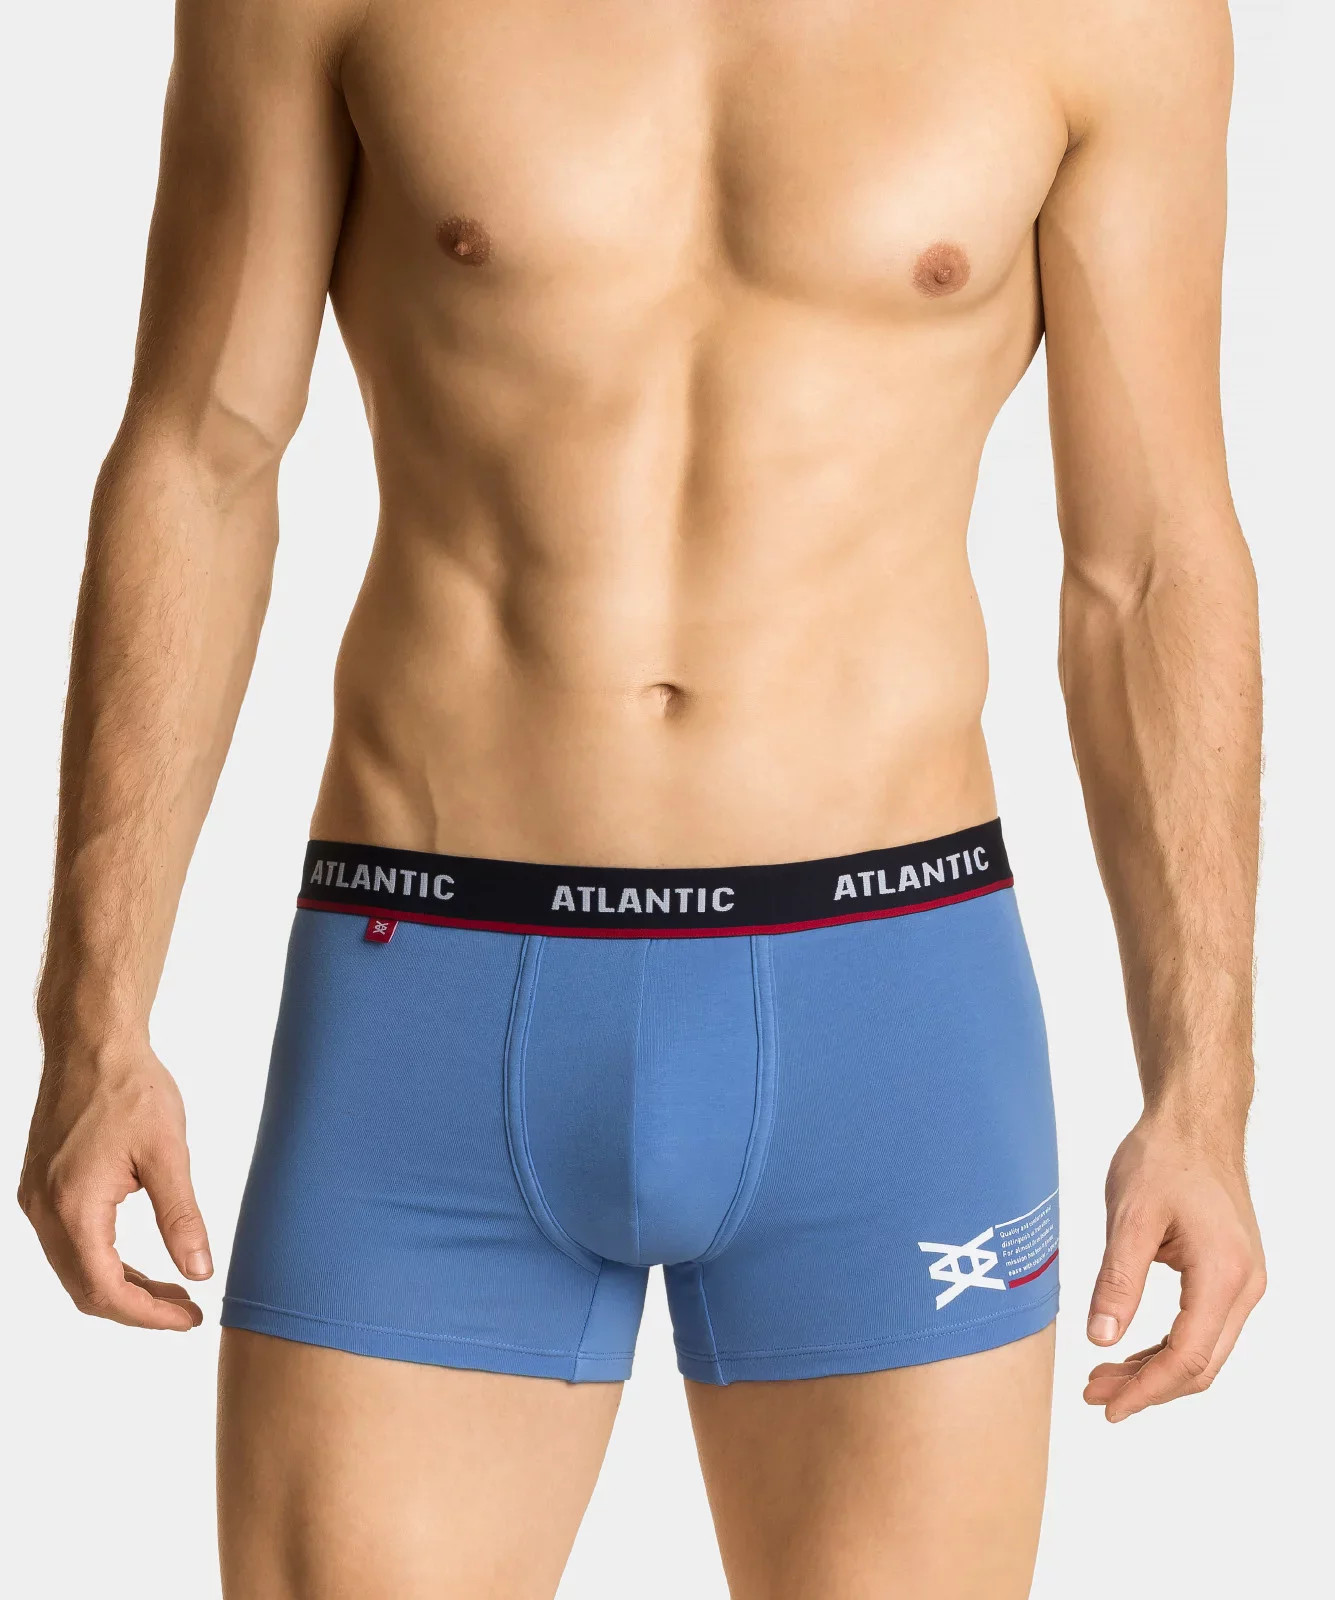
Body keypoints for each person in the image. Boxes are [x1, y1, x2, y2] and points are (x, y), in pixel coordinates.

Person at [18, 1, 1267, 1595]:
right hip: (432, 1002)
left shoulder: (1105, 20)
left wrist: (1204, 1092)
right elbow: (202, 461)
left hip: (887, 1013)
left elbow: (1147, 560)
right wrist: (92, 1022)